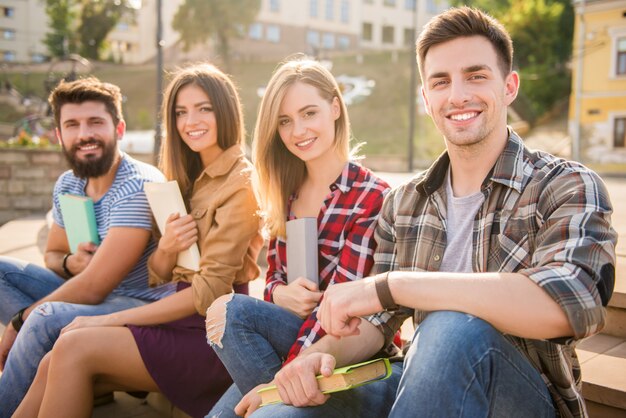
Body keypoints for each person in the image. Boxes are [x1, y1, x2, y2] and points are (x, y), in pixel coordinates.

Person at [233, 7, 618, 418]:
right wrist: (316, 354)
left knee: (451, 326)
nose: (457, 95)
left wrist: (396, 285)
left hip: (524, 400)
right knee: (277, 413)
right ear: (425, 98)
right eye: (440, 82)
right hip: (418, 382)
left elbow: (572, 304)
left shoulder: (565, 184)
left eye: (476, 75)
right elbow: (374, 324)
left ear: (509, 86)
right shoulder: (405, 203)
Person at [13, 64, 264, 418]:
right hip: (173, 320)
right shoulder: (184, 176)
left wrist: (105, 321)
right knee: (53, 360)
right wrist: (166, 249)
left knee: (72, 346)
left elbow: (207, 295)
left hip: (210, 337)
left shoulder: (240, 183)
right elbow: (158, 275)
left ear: (224, 110)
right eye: (181, 112)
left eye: (203, 108)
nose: (191, 120)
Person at [204, 58, 390, 417]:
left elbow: (345, 315)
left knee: (230, 312)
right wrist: (281, 293)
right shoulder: (286, 194)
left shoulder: (370, 196)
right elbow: (273, 278)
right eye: (285, 121)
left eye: (309, 113)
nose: (297, 130)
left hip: (340, 349)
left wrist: (277, 383)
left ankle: (281, 399)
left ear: (335, 107)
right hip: (292, 335)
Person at [0, 77, 175, 417]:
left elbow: (95, 288)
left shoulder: (137, 185)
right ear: (59, 134)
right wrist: (70, 263)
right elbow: (53, 255)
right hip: (93, 294)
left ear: (119, 128)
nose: (84, 134)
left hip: (139, 307)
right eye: (72, 124)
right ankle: (69, 383)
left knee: (42, 317)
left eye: (96, 122)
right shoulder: (70, 183)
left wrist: (19, 321)